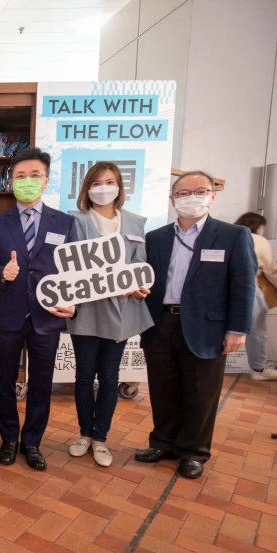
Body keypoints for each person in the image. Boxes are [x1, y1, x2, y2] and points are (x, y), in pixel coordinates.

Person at [137, 171, 256, 479]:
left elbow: (243, 285)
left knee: (201, 392)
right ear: (173, 199)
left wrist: (238, 329)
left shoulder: (233, 235)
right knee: (163, 389)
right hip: (161, 323)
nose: (191, 197)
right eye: (184, 192)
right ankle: (163, 443)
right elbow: (147, 279)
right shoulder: (157, 237)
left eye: (200, 191)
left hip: (207, 327)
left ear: (212, 196)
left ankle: (194, 452)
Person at [0, 147, 78, 471]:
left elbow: (74, 271)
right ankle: (9, 438)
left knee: (41, 383)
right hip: (8, 315)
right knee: (4, 381)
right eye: (20, 176)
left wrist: (73, 300)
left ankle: (33, 442)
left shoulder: (65, 223)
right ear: (11, 181)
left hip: (47, 318)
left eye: (34, 175)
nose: (27, 181)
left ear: (46, 180)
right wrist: (1, 273)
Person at [66, 162, 154, 467]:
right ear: (87, 188)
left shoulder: (135, 222)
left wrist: (140, 285)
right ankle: (84, 434)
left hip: (121, 313)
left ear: (119, 186)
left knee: (110, 377)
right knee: (83, 376)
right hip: (87, 312)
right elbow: (67, 268)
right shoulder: (73, 221)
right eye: (97, 182)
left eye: (110, 181)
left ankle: (101, 437)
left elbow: (140, 264)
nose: (104, 187)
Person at [234, 212, 277, 380]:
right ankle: (258, 369)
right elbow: (268, 268)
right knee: (257, 329)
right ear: (259, 226)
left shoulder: (230, 234)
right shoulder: (259, 240)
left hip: (223, 288)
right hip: (250, 287)